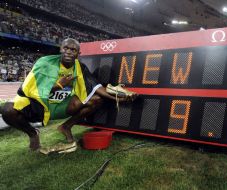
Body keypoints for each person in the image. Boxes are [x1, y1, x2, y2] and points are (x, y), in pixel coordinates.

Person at [1, 38, 137, 151]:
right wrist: (59, 85)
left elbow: (95, 87)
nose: (69, 52)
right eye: (66, 48)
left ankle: (66, 126)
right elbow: (28, 89)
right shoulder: (45, 62)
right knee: (8, 110)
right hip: (40, 105)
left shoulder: (80, 67)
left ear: (78, 53)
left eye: (73, 50)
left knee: (96, 99)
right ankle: (33, 133)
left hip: (62, 105)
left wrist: (117, 97)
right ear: (61, 49)